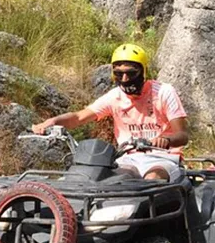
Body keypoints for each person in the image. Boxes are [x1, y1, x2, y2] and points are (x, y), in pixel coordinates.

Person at [32, 44, 190, 181]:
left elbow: (182, 135)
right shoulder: (115, 96)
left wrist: (165, 140)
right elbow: (79, 117)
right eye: (119, 74)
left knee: (152, 180)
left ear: (143, 71)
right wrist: (52, 121)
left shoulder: (163, 92)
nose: (125, 78)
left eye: (131, 73)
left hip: (162, 158)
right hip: (128, 159)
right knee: (108, 181)